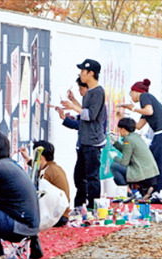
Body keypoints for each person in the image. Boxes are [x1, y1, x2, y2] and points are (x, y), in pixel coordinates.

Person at [61, 59, 106, 210]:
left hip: (92, 141)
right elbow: (85, 112)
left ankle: (93, 208)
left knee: (92, 177)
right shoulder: (91, 92)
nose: (80, 74)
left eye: (82, 71)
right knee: (79, 176)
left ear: (90, 73)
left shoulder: (98, 92)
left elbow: (91, 115)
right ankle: (80, 206)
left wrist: (73, 106)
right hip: (85, 141)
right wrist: (74, 101)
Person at [117, 79, 162, 191]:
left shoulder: (145, 96)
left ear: (136, 91)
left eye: (131, 93)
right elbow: (138, 126)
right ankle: (160, 188)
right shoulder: (146, 106)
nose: (131, 96)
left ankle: (157, 190)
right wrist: (122, 118)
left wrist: (132, 108)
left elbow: (149, 111)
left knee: (157, 161)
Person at [19, 141, 70, 227]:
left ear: (40, 157)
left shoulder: (47, 172)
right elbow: (36, 167)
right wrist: (27, 158)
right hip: (61, 215)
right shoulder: (53, 168)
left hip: (55, 217)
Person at [109, 118, 159, 201]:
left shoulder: (128, 140)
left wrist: (115, 158)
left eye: (120, 129)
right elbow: (127, 150)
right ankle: (130, 191)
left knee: (114, 166)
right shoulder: (135, 137)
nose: (119, 131)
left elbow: (124, 162)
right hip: (150, 171)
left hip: (141, 172)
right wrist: (115, 143)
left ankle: (128, 193)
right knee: (117, 176)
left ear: (123, 129)